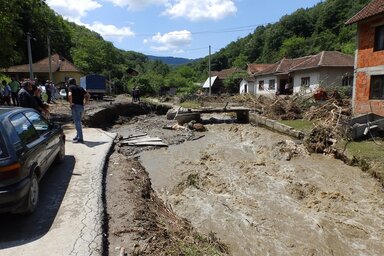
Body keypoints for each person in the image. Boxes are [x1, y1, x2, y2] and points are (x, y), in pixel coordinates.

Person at [68, 77, 90, 143]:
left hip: (75, 107)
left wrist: (71, 103)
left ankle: (80, 139)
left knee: (77, 122)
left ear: (69, 82)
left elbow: (69, 95)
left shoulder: (70, 87)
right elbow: (88, 95)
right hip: (81, 106)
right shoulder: (80, 88)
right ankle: (78, 136)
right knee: (78, 121)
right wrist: (85, 103)